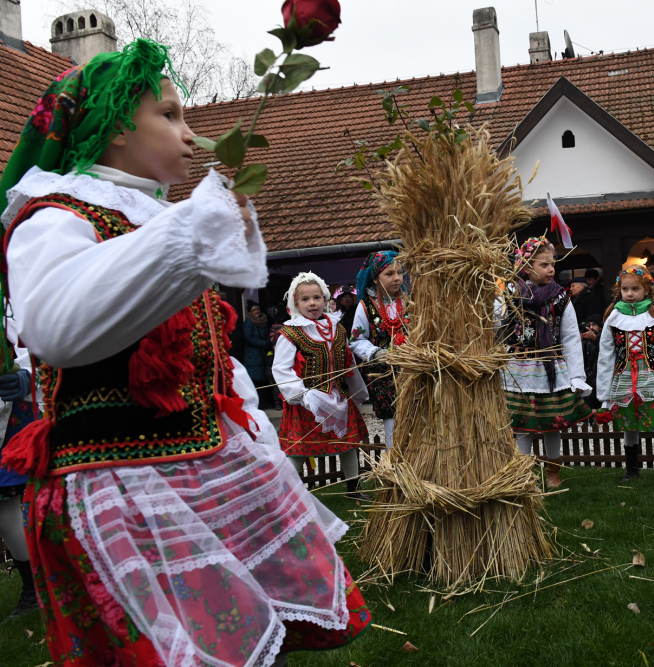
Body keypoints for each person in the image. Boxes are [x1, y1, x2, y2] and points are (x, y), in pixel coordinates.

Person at [0, 40, 370, 666]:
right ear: (115, 127)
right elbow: (55, 325)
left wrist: (248, 429)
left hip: (203, 468)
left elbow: (206, 358)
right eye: (168, 115)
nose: (188, 132)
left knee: (249, 641)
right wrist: (189, 230)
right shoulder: (55, 215)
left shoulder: (151, 219)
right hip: (124, 481)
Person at [500, 237, 592, 488]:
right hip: (518, 369)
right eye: (544, 265)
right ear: (527, 268)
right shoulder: (510, 294)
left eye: (552, 264)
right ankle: (522, 472)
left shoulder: (560, 298)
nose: (551, 269)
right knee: (522, 424)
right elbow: (497, 328)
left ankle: (553, 470)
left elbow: (571, 336)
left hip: (550, 367)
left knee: (552, 423)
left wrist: (576, 376)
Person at [274, 272, 370, 499]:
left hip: (339, 398)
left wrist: (358, 392)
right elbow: (281, 368)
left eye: (317, 297)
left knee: (348, 445)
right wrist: (301, 394)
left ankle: (353, 489)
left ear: (326, 299)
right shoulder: (290, 332)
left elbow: (348, 363)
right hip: (308, 402)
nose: (312, 303)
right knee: (298, 451)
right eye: (305, 299)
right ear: (295, 303)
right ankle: (285, 496)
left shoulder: (337, 329)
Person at [597, 265, 654, 481]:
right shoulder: (613, 318)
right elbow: (605, 357)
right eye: (625, 289)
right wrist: (603, 396)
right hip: (624, 376)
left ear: (647, 289)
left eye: (635, 289)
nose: (629, 294)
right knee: (629, 421)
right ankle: (632, 470)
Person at [349, 250, 409, 449]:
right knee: (392, 417)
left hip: (412, 370)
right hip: (383, 374)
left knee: (417, 413)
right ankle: (396, 462)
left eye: (399, 272)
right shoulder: (365, 306)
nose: (397, 278)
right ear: (375, 278)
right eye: (389, 274)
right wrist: (376, 353)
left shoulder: (409, 302)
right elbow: (356, 340)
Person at [0, 319, 38, 620]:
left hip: (18, 408)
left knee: (8, 499)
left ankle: (34, 587)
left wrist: (27, 375)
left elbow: (41, 330)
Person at [243, 301, 275, 409]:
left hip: (262, 354)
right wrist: (264, 343)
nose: (256, 311)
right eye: (254, 310)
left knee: (263, 380)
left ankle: (263, 402)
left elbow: (267, 335)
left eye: (258, 309)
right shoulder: (249, 323)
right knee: (255, 380)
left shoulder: (263, 322)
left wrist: (267, 342)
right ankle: (256, 403)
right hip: (253, 355)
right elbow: (248, 338)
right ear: (250, 312)